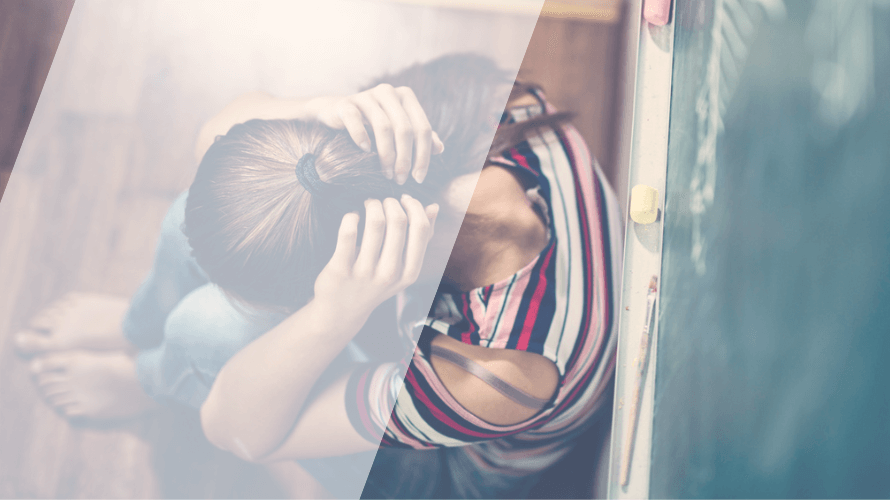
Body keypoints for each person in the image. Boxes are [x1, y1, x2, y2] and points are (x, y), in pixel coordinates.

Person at [16, 54, 622, 498]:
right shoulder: (477, 104)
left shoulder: (497, 369)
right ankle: (135, 328)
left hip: (450, 466)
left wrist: (334, 317)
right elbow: (217, 145)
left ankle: (148, 381)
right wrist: (311, 114)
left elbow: (234, 429)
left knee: (206, 328)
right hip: (433, 352)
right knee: (186, 220)